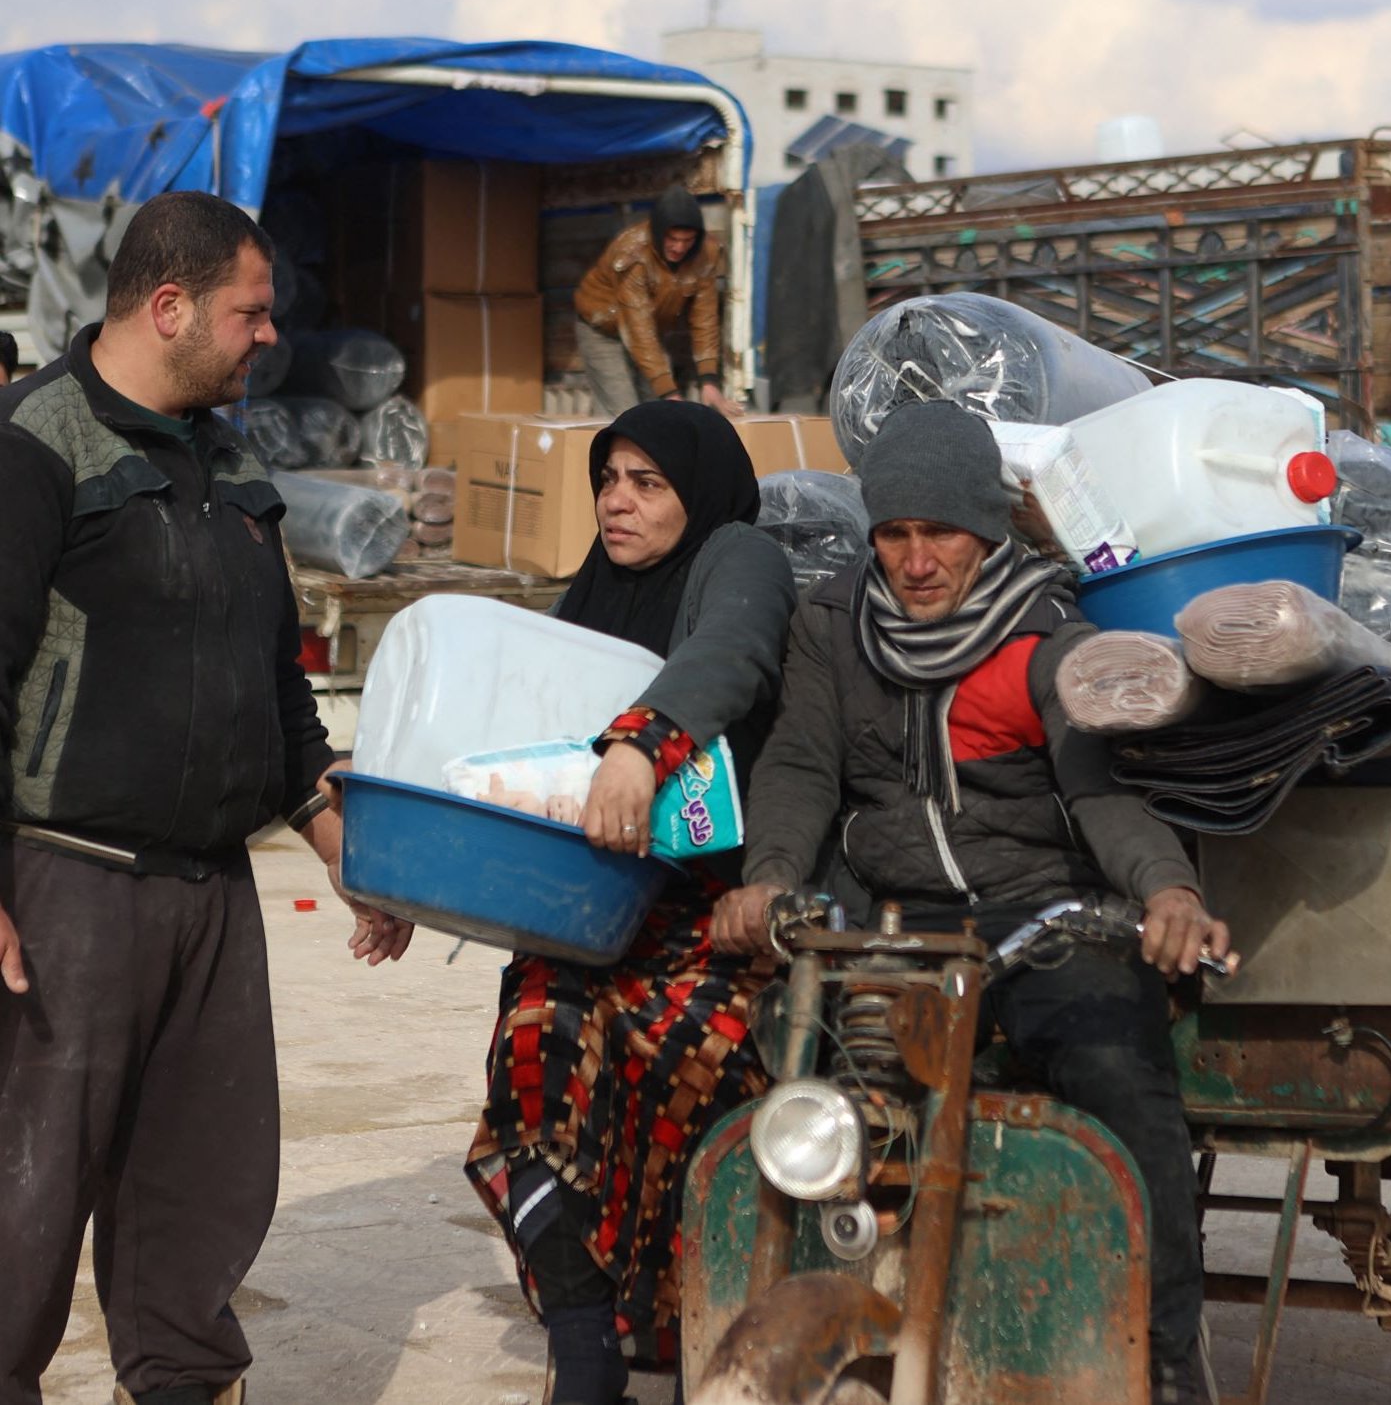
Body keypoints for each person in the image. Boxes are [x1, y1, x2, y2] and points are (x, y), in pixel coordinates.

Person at [712, 399, 1232, 1405]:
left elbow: (1098, 791)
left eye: (938, 532)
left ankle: (1167, 1363)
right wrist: (768, 878)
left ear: (984, 533)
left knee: (1124, 1085)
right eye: (894, 534)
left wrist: (1164, 890)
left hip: (1037, 916)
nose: (914, 559)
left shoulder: (1045, 634)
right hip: (893, 921)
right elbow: (800, 765)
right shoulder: (831, 624)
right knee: (792, 1071)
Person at [0, 190, 412, 1405]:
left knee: (203, 1184)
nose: (269, 335)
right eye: (250, 311)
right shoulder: (34, 445)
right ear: (168, 305)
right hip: (67, 883)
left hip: (212, 897)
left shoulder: (235, 463)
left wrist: (346, 843)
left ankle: (181, 1386)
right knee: (25, 1193)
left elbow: (276, 691)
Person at [464, 400, 796, 1405]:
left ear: (695, 494)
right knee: (535, 1046)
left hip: (712, 919)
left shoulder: (736, 556)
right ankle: (584, 1342)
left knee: (686, 1071)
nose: (618, 498)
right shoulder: (593, 592)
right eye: (608, 477)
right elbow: (513, 732)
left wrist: (639, 744)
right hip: (583, 910)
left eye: (647, 482)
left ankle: (691, 1328)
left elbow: (728, 654)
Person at [574, 185, 744, 420]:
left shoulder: (706, 253)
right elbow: (638, 326)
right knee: (625, 412)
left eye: (688, 240)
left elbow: (705, 317)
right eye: (672, 239)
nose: (679, 247)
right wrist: (670, 394)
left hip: (650, 331)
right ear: (659, 233)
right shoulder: (633, 252)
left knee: (657, 411)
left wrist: (709, 382)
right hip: (602, 327)